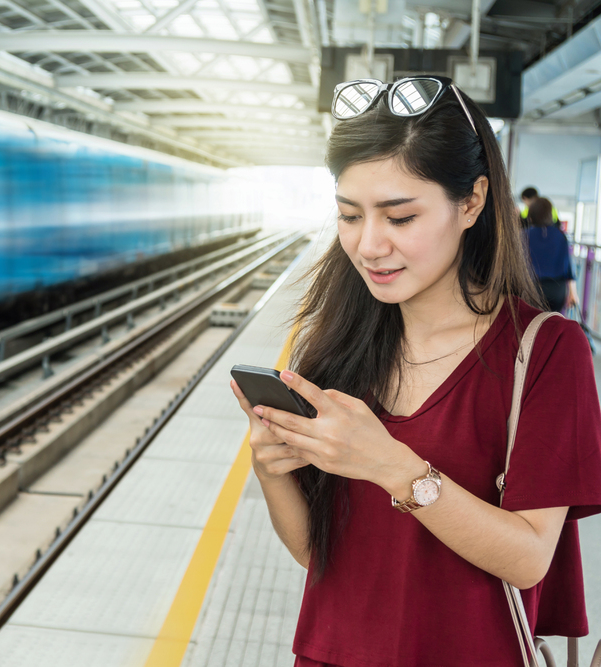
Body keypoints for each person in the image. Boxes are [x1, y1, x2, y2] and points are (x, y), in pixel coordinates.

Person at [230, 77, 601, 667]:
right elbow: (320, 558)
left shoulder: (546, 351)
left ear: (472, 202)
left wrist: (391, 466)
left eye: (400, 217)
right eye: (349, 216)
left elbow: (530, 557)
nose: (369, 245)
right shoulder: (339, 346)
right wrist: (271, 470)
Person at [525, 197, 577, 312]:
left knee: (531, 325)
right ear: (550, 214)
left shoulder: (524, 235)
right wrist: (573, 293)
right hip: (557, 290)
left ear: (531, 215)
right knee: (554, 324)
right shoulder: (560, 235)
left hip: (532, 289)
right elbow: (568, 267)